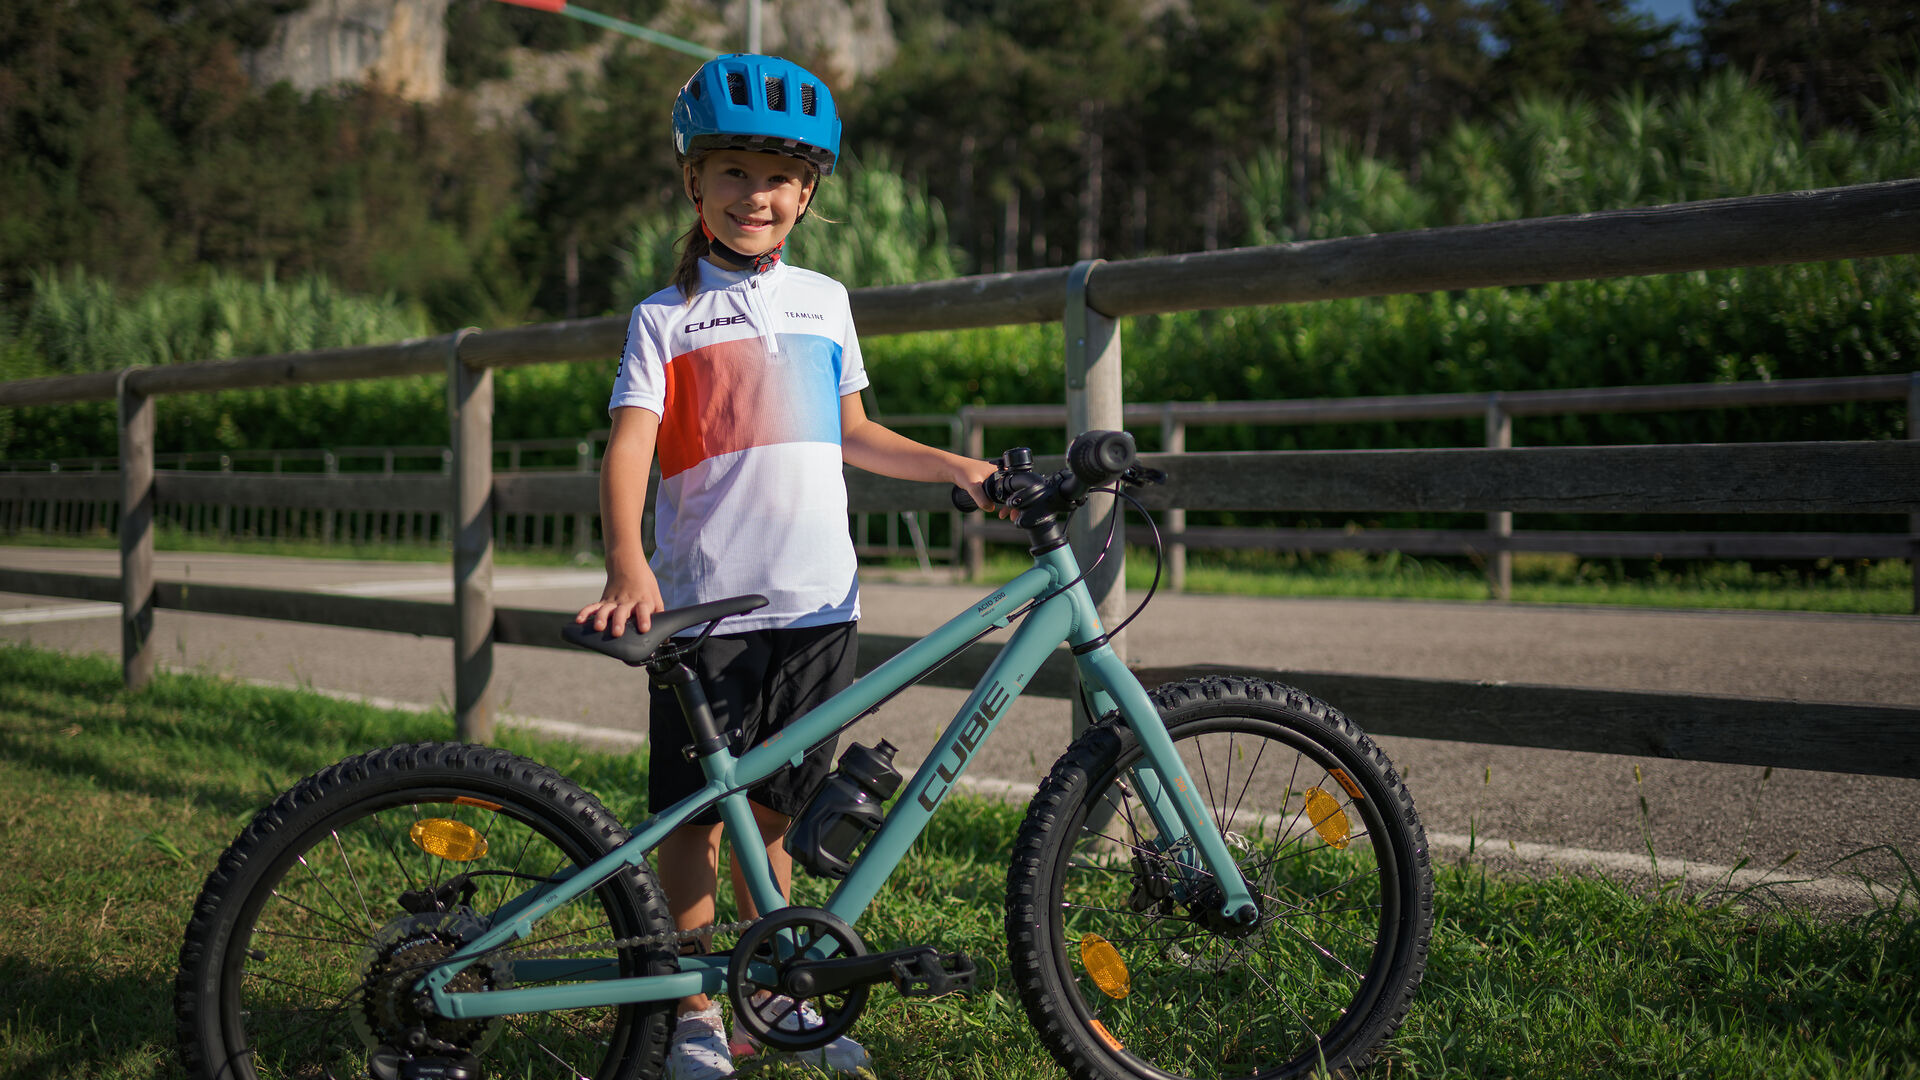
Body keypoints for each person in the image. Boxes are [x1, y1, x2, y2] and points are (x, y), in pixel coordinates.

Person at [573, 53, 1001, 1080]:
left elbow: (855, 431)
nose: (755, 194)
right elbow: (629, 448)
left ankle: (767, 992)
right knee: (693, 817)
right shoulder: (663, 317)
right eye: (733, 171)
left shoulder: (825, 300)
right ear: (695, 183)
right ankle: (690, 1007)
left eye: (779, 177)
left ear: (807, 195)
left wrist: (958, 468)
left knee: (773, 809)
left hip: (819, 606)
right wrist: (628, 563)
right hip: (707, 609)